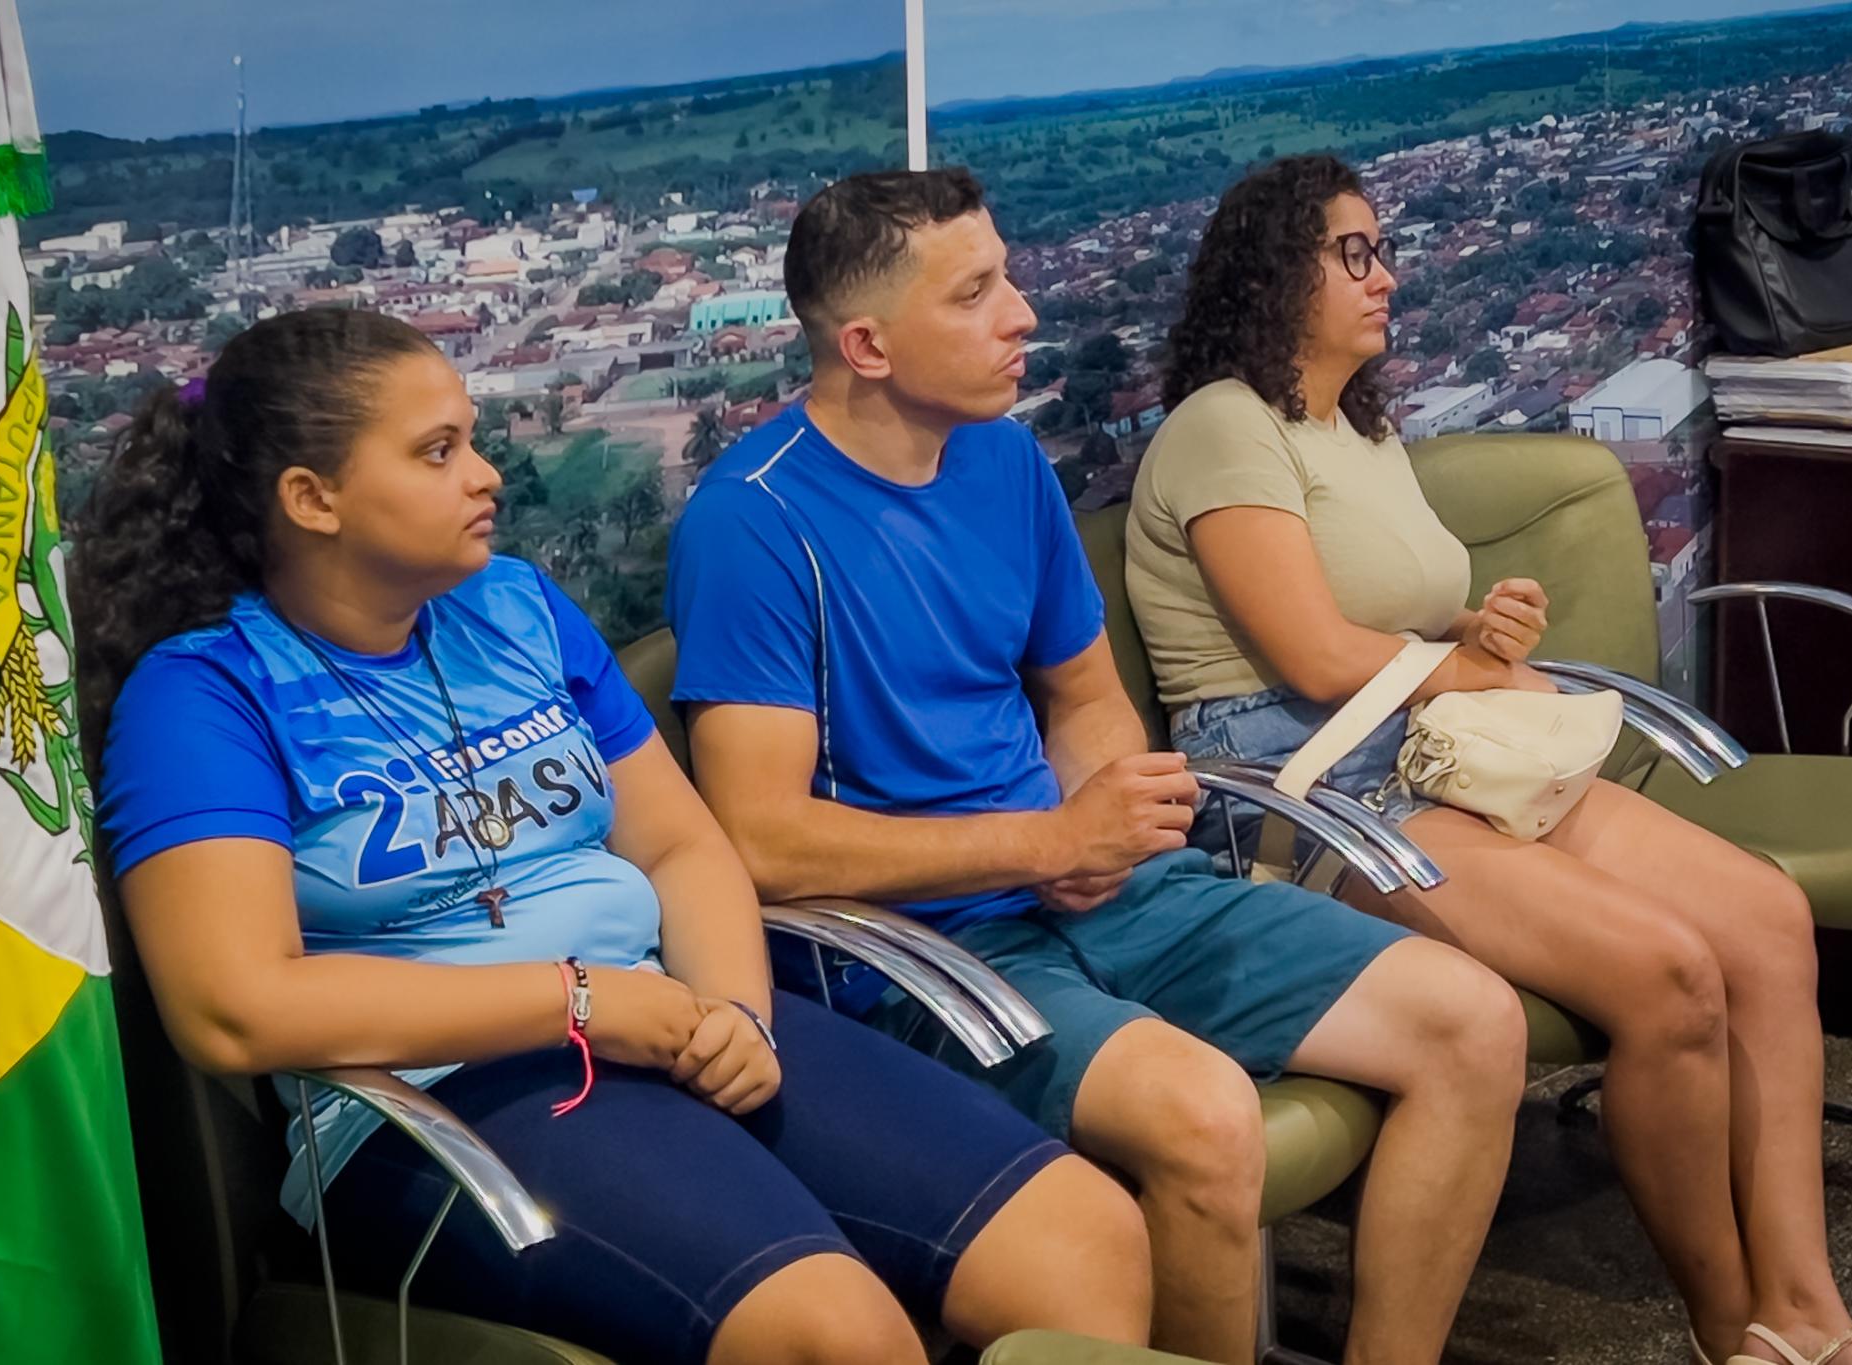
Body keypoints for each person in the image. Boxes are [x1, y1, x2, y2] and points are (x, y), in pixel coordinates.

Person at [72, 308, 1157, 1365]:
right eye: (438, 452)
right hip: (441, 1094)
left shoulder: (516, 609)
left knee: (1081, 1237)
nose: (487, 475)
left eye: (473, 440)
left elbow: (681, 847)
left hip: (655, 1014)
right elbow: (234, 1006)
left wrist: (736, 1012)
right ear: (312, 499)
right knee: (837, 1338)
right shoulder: (206, 695)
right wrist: (580, 1000)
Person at [666, 167, 1529, 1365]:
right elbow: (758, 840)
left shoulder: (1002, 461)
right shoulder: (751, 522)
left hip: (1088, 885)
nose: (1020, 313)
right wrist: (1045, 842)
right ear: (866, 345)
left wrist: (1109, 819)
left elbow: (1081, 700)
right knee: (1205, 1117)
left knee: (1473, 1025)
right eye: (975, 293)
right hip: (920, 948)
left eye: (1006, 277)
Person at [1128, 153, 1852, 1365]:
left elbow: (1391, 624)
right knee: (1669, 977)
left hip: (1427, 743)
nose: (1384, 275)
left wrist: (1474, 631)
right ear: (1271, 273)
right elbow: (1312, 653)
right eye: (1352, 252)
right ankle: (1727, 1331)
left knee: (1763, 919)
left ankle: (1802, 1312)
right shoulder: (1223, 424)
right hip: (1306, 786)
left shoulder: (1357, 425)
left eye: (1381, 249)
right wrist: (1460, 669)